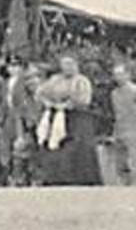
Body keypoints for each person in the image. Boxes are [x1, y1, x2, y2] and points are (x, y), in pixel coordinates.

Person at [33, 54, 102, 186]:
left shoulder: (82, 81)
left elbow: (84, 100)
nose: (67, 67)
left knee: (78, 147)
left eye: (70, 64)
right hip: (57, 116)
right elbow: (40, 93)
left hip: (77, 118)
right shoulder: (55, 80)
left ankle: (81, 178)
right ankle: (55, 177)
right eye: (64, 64)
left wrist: (68, 105)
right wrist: (50, 103)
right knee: (54, 145)